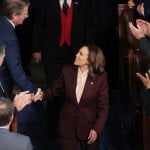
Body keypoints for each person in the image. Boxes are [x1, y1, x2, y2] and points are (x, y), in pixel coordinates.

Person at [44, 45, 109, 150]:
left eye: (81, 54)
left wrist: (96, 129)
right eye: (78, 52)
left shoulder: (101, 78)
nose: (76, 55)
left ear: (90, 60)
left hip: (89, 129)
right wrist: (39, 95)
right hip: (68, 126)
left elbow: (104, 107)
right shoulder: (67, 70)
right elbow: (53, 90)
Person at [0, 1, 45, 147]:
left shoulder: (2, 22)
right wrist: (35, 91)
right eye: (25, 14)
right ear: (14, 15)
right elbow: (16, 71)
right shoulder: (10, 38)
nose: (27, 16)